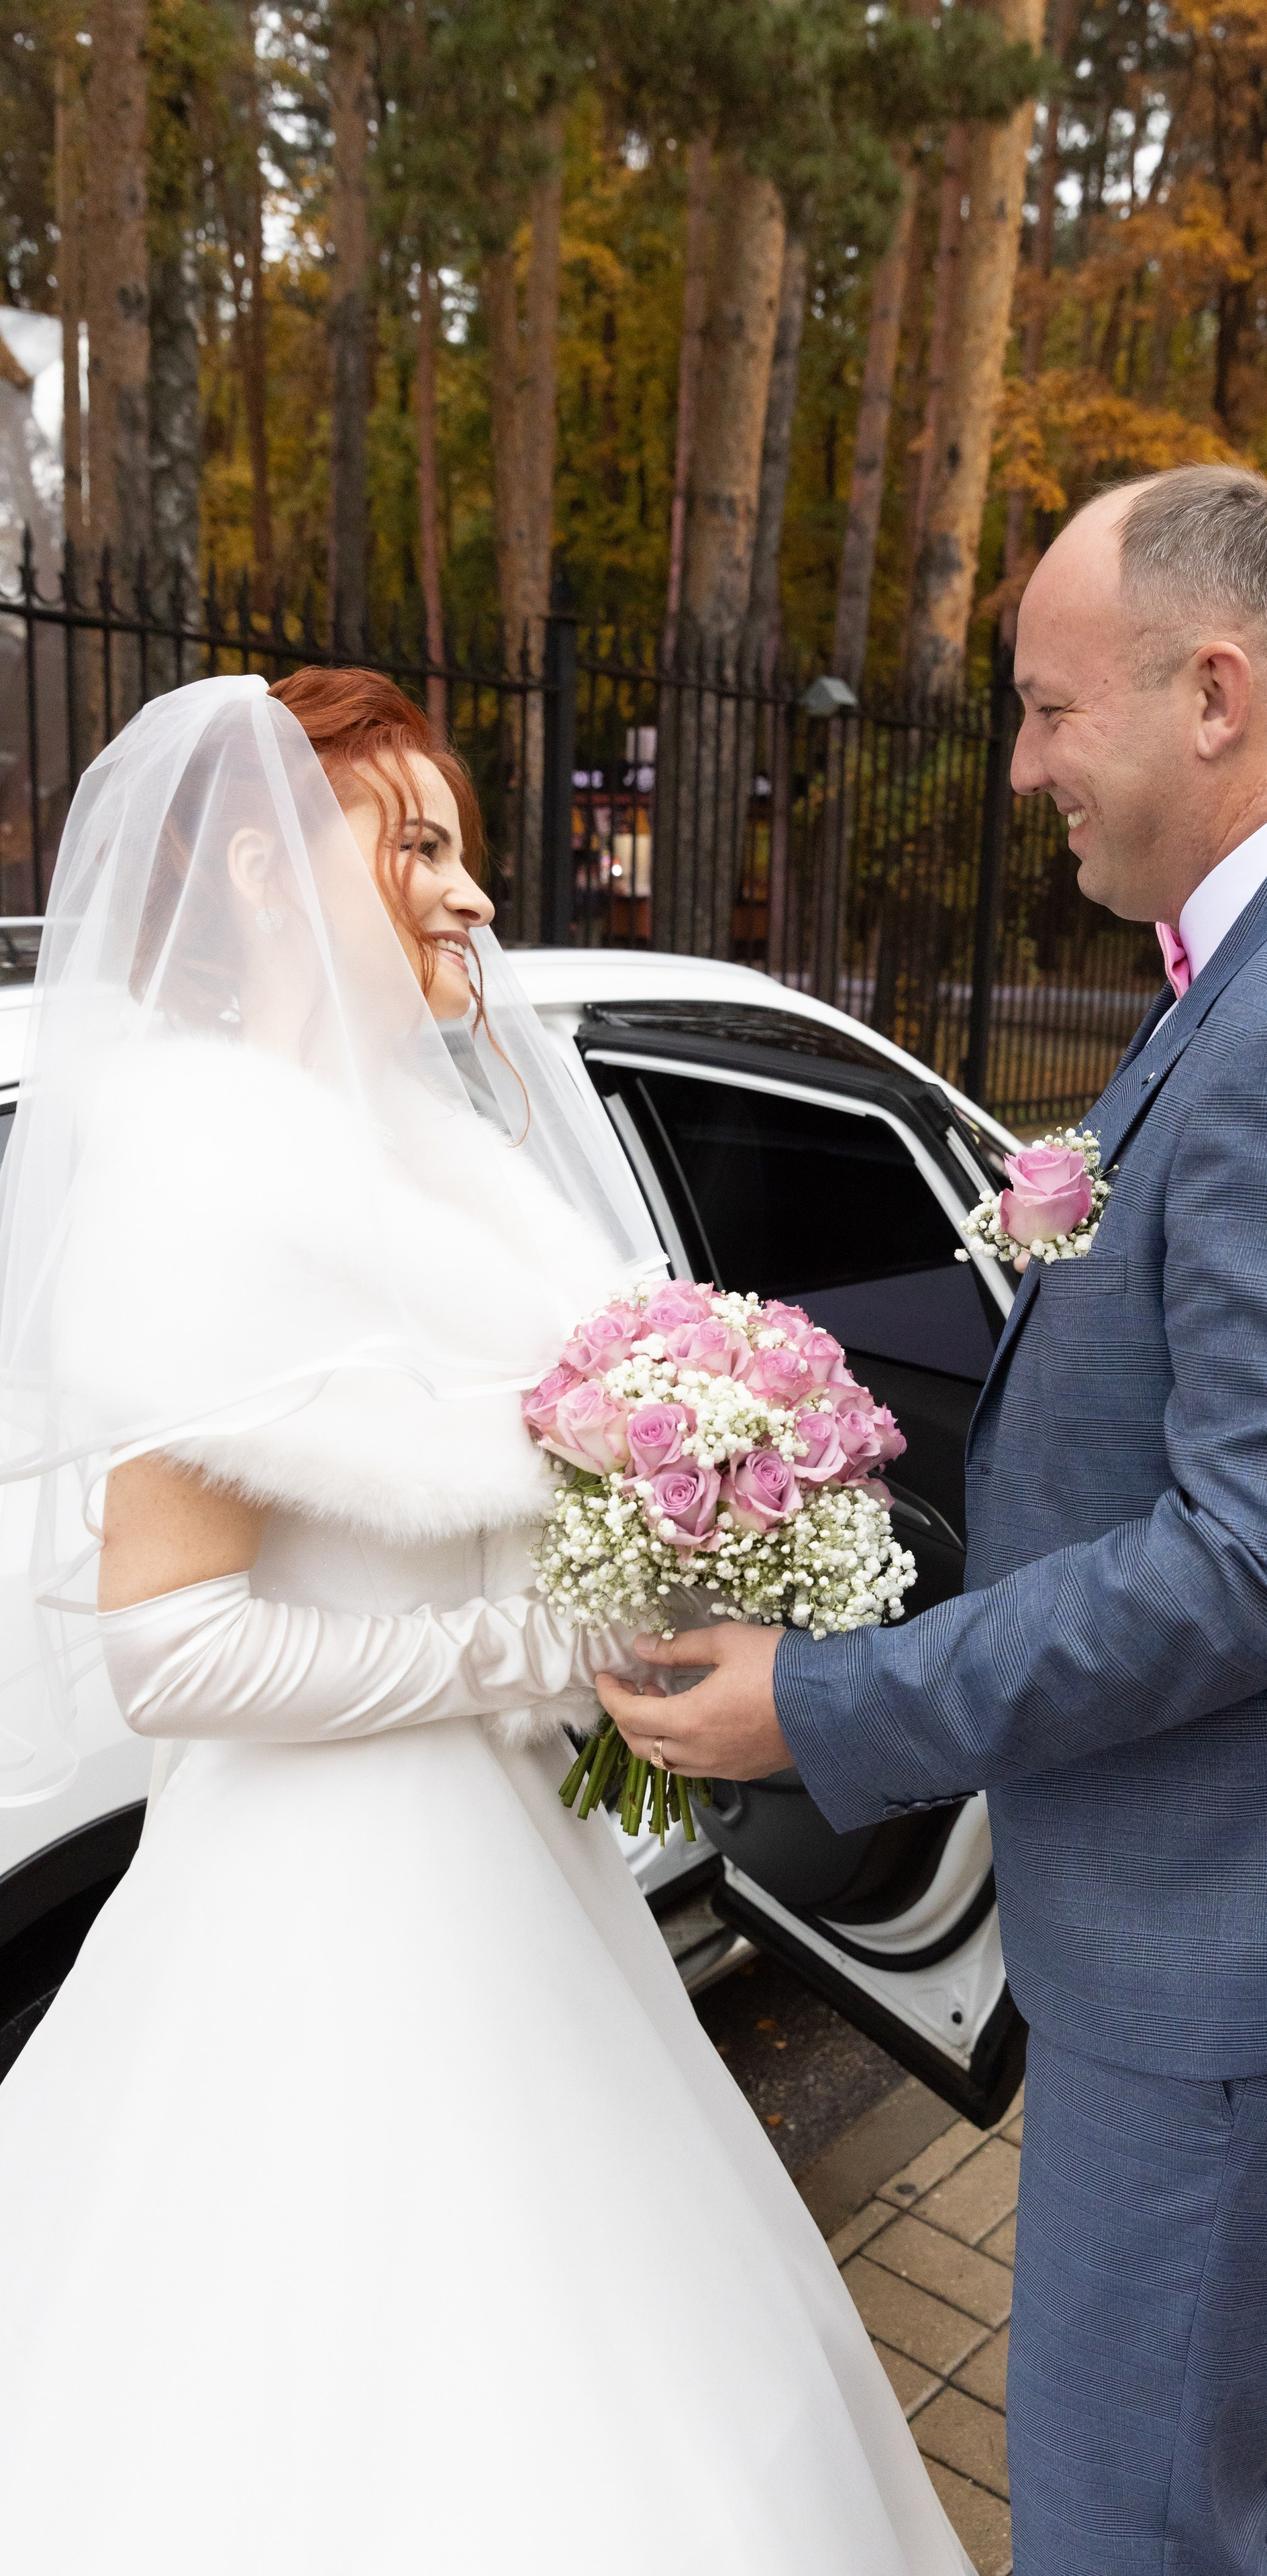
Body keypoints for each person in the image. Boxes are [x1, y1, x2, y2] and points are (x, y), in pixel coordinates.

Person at [599, 465, 1267, 2575]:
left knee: (1128, 2509)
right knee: (1231, 2460)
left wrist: (837, 1702)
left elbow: (1265, 1557)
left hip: (1260, 1926)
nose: (1029, 765)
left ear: (1215, 691)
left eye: (1054, 710)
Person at [0, 669, 973, 2576]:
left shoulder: (427, 1158)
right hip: (326, 1906)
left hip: (502, 1863)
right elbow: (170, 1651)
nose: (473, 894)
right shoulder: (212, 1177)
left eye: (464, 850)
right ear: (278, 876)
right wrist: (533, 1659)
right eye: (420, 844)